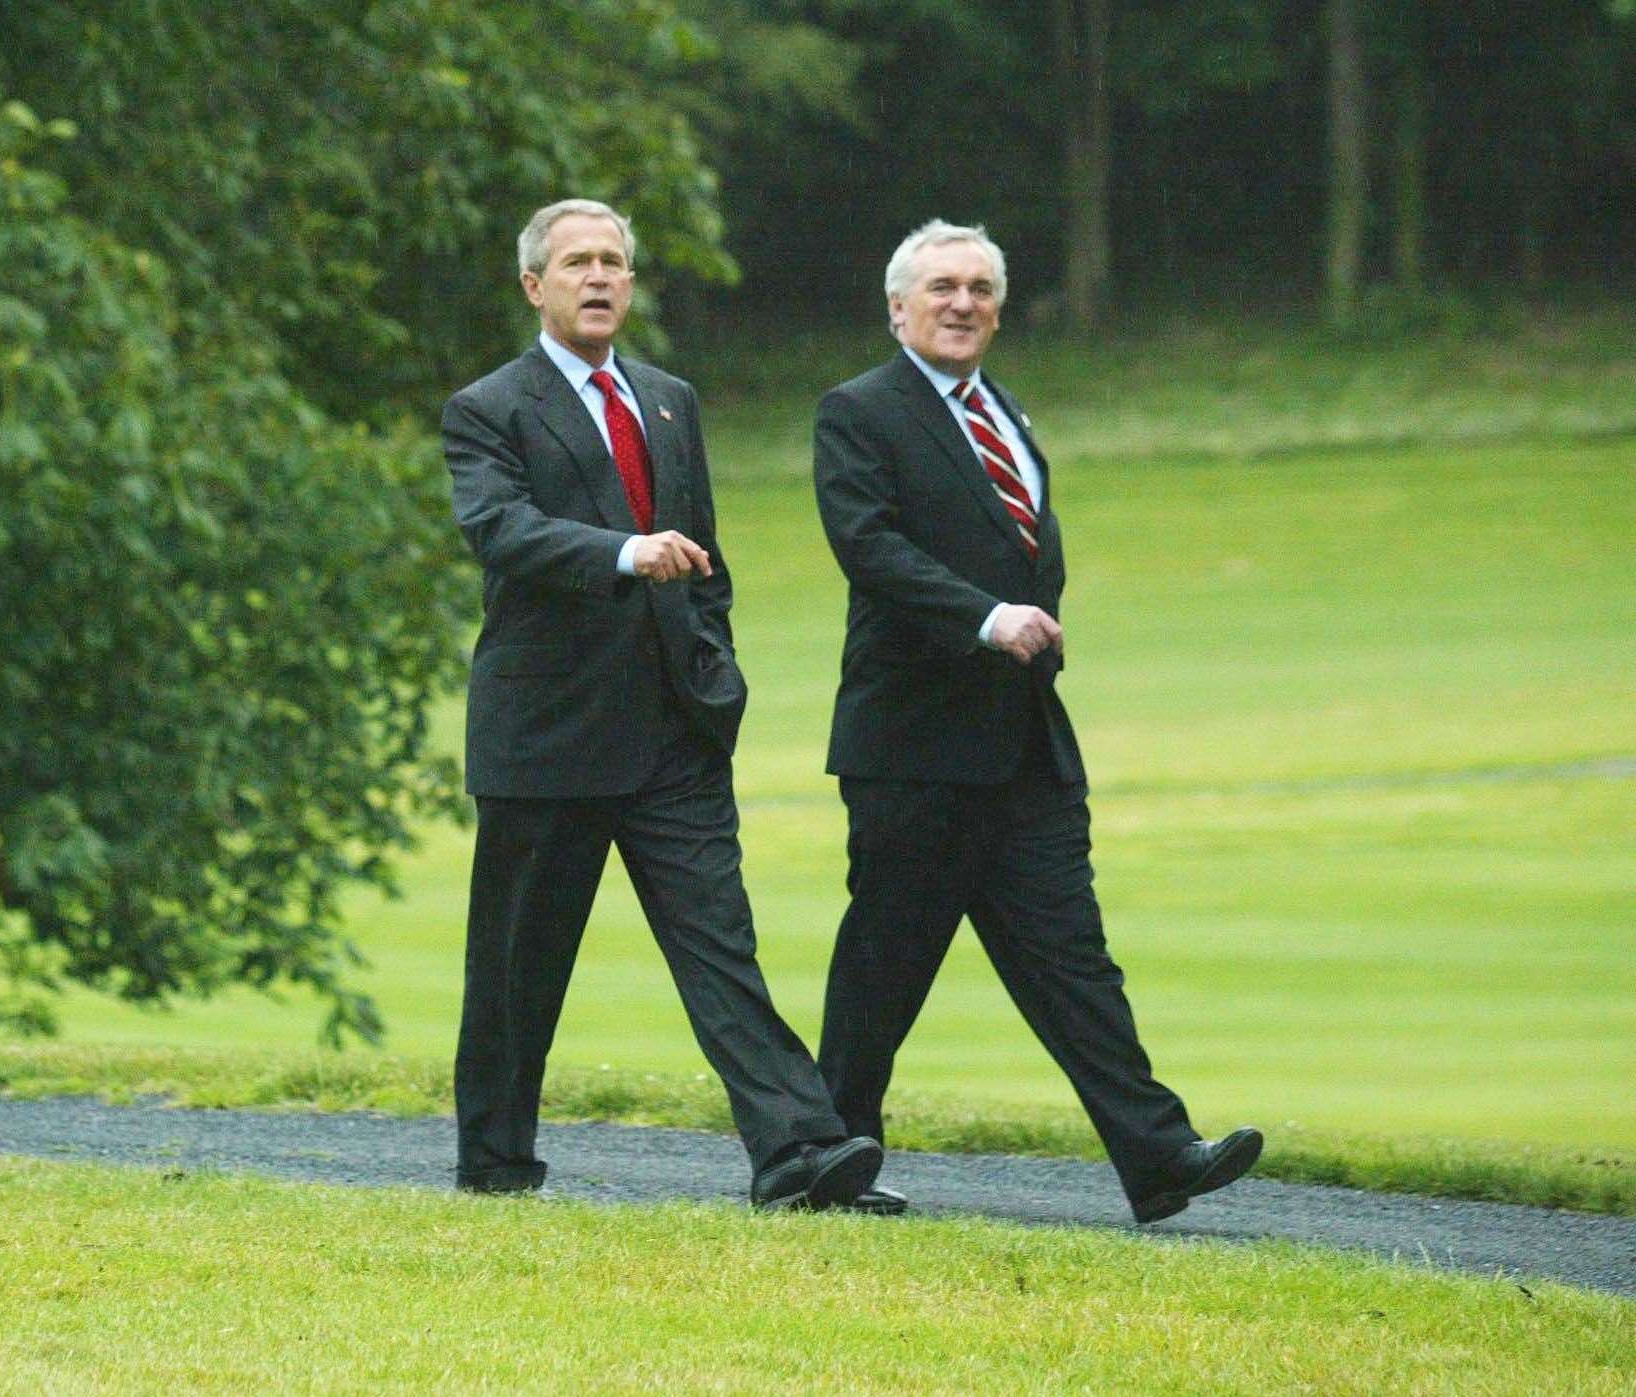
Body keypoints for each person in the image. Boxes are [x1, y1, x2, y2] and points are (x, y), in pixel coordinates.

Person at [811, 219, 1262, 1224]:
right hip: (914, 748)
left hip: (1020, 746)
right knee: (885, 959)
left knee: (1070, 955)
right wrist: (985, 617)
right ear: (897, 308)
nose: (961, 302)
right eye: (939, 287)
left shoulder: (1002, 411)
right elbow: (866, 547)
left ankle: (1156, 1154)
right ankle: (822, 1155)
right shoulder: (858, 412)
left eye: (979, 287)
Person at [442, 198, 882, 1210]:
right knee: (517, 972)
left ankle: (800, 1153)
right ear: (532, 286)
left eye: (613, 262)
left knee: (720, 946)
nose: (598, 277)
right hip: (545, 739)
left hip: (670, 738)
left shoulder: (669, 399)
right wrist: (621, 553)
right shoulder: (488, 408)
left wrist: (714, 675)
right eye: (576, 263)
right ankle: (495, 1164)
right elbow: (500, 530)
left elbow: (705, 558)